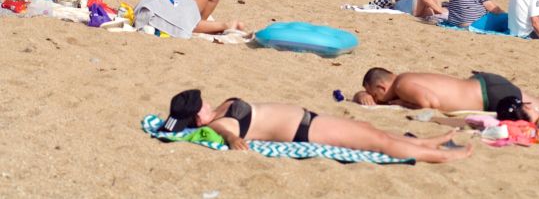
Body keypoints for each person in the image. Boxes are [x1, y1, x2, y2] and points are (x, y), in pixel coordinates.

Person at [160, 89, 471, 162]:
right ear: (199, 116)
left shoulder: (223, 107)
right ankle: (446, 155)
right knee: (378, 144)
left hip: (310, 120)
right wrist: (231, 140)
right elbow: (226, 132)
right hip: (306, 131)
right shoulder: (219, 123)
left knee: (371, 131)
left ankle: (429, 143)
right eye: (200, 108)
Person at [355, 68, 539, 114]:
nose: (376, 100)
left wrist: (400, 103)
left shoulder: (401, 87)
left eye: (374, 95)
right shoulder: (405, 78)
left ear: (382, 87)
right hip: (483, 84)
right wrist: (360, 95)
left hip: (488, 96)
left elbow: (431, 104)